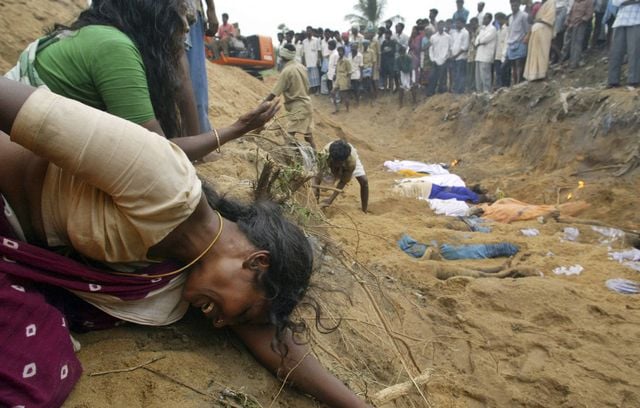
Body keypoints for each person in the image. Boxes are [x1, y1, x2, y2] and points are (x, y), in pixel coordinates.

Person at [0, 78, 370, 408]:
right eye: (238, 314)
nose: (223, 324)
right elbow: (15, 104)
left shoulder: (186, 266)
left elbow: (274, 342)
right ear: (256, 261)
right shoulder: (159, 179)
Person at [5, 0, 260, 162]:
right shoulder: (114, 48)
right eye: (181, 15)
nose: (185, 26)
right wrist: (236, 129)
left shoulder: (101, 36)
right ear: (155, 19)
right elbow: (159, 153)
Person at [265, 44, 316, 150]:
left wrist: (262, 104)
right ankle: (318, 158)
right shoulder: (302, 67)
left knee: (289, 137)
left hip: (298, 108)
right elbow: (308, 87)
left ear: (282, 56)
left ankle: (288, 160)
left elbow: (274, 93)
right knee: (308, 137)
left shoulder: (286, 71)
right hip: (307, 105)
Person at [185, 0, 218, 134]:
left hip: (187, 11)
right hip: (155, 9)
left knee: (193, 78)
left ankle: (198, 135)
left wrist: (211, 8)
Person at [315, 140, 369, 213]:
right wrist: (315, 201)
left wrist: (330, 200)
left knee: (364, 181)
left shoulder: (351, 162)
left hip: (347, 160)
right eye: (336, 163)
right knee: (319, 177)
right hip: (329, 160)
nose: (338, 165)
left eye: (340, 163)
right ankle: (315, 201)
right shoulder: (324, 155)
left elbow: (343, 181)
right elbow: (316, 178)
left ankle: (364, 211)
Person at [607, 0, 640, 87]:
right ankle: (612, 80)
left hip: (637, 18)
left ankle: (633, 80)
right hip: (620, 20)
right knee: (615, 52)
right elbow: (615, 2)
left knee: (634, 51)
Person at [524, 0, 557, 81]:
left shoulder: (551, 2)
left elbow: (550, 18)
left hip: (543, 30)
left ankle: (541, 74)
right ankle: (533, 75)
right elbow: (531, 19)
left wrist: (538, 20)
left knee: (542, 52)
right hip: (536, 30)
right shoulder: (541, 4)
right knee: (534, 52)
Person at [563, 0, 595, 69]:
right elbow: (570, 12)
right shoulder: (575, 1)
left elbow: (589, 14)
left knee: (577, 43)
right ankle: (568, 60)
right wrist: (568, 19)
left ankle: (574, 63)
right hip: (571, 24)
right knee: (570, 43)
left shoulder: (589, 2)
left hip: (581, 25)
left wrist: (581, 20)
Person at [506, 0, 531, 84]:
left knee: (519, 65)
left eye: (515, 2)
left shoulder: (524, 15)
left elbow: (528, 30)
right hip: (511, 44)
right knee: (513, 66)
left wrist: (525, 40)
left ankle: (519, 82)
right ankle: (515, 83)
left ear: (519, 4)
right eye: (512, 3)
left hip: (520, 43)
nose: (513, 4)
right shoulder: (510, 18)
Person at [427, 21, 452, 96]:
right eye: (439, 25)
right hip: (435, 60)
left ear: (444, 26)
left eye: (442, 25)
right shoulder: (433, 37)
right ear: (437, 26)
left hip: (444, 60)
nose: (440, 27)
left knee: (443, 78)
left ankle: (442, 93)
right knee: (432, 77)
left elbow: (449, 49)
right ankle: (431, 93)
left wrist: (445, 58)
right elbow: (431, 49)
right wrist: (432, 59)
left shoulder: (448, 37)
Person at [475, 13, 498, 92]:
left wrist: (479, 41)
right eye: (483, 18)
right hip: (479, 55)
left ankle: (486, 93)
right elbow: (476, 41)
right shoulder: (482, 29)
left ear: (490, 19)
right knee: (478, 77)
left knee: (485, 77)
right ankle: (479, 93)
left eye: (485, 18)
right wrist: (479, 41)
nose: (483, 20)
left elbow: (484, 40)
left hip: (486, 57)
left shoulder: (492, 29)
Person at [450, 18, 470, 94]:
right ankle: (455, 90)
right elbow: (452, 44)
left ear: (463, 24)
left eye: (459, 23)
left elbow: (465, 47)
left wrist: (456, 55)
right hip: (454, 58)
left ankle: (460, 91)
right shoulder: (454, 33)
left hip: (461, 58)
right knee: (455, 75)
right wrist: (452, 55)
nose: (457, 25)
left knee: (460, 75)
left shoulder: (465, 33)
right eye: (456, 23)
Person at [331, 47, 353, 113]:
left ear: (343, 52)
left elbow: (349, 72)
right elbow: (337, 68)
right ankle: (336, 108)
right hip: (338, 77)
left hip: (344, 78)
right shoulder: (338, 59)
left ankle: (347, 109)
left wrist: (349, 82)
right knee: (332, 93)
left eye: (341, 51)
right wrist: (335, 74)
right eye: (339, 51)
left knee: (344, 95)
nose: (340, 53)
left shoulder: (346, 60)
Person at [302, 26, 322, 94]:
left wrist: (318, 59)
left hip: (314, 61)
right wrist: (304, 62)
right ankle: (311, 89)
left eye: (310, 31)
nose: (308, 32)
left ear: (312, 32)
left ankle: (316, 90)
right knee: (309, 76)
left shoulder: (316, 40)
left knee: (315, 76)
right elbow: (304, 52)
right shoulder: (304, 41)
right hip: (307, 61)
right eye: (307, 31)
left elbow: (319, 50)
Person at [494, 13, 510, 89]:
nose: (497, 21)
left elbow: (506, 43)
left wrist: (505, 55)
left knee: (505, 73)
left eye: (498, 19)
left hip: (504, 55)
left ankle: (505, 88)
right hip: (497, 55)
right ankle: (499, 89)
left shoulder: (506, 29)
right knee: (498, 73)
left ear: (503, 19)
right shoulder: (498, 31)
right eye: (496, 19)